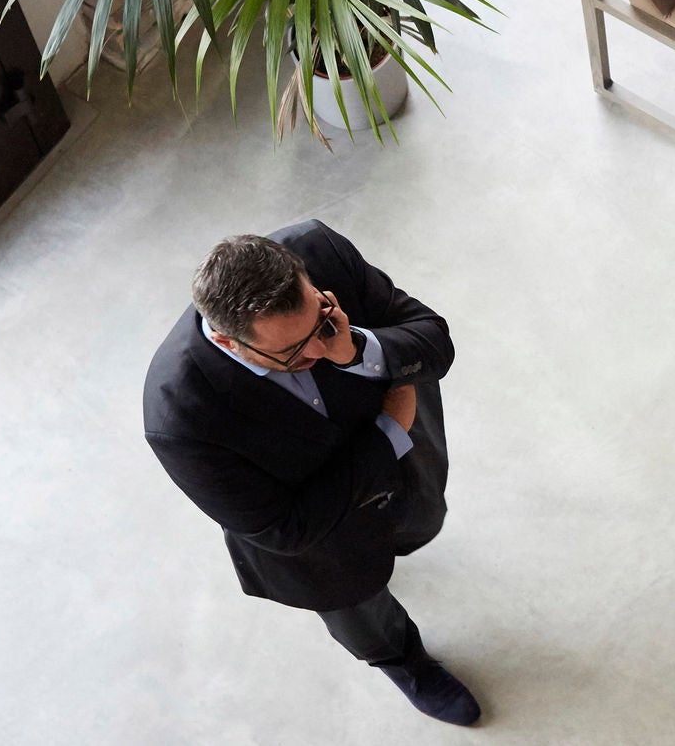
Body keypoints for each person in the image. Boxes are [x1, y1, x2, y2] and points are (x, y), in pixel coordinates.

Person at [142, 222, 477, 726]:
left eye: (322, 321)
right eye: (293, 354)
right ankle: (406, 665)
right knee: (363, 612)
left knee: (421, 523)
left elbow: (432, 340)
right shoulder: (179, 418)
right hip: (319, 543)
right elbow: (285, 529)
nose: (321, 352)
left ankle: (396, 545)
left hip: (404, 464)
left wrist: (358, 350)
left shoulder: (319, 251)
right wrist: (388, 433)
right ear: (231, 345)